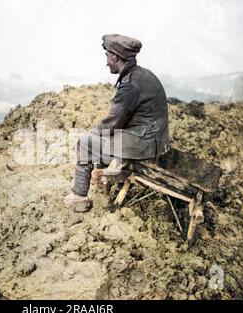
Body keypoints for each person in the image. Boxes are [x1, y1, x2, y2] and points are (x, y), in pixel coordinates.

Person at [64, 34, 170, 212]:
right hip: (156, 139)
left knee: (85, 143)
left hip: (144, 144)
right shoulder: (143, 74)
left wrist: (93, 132)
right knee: (103, 139)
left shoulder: (130, 85)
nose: (106, 62)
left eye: (107, 56)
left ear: (115, 56)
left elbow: (112, 123)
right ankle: (106, 175)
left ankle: (79, 198)